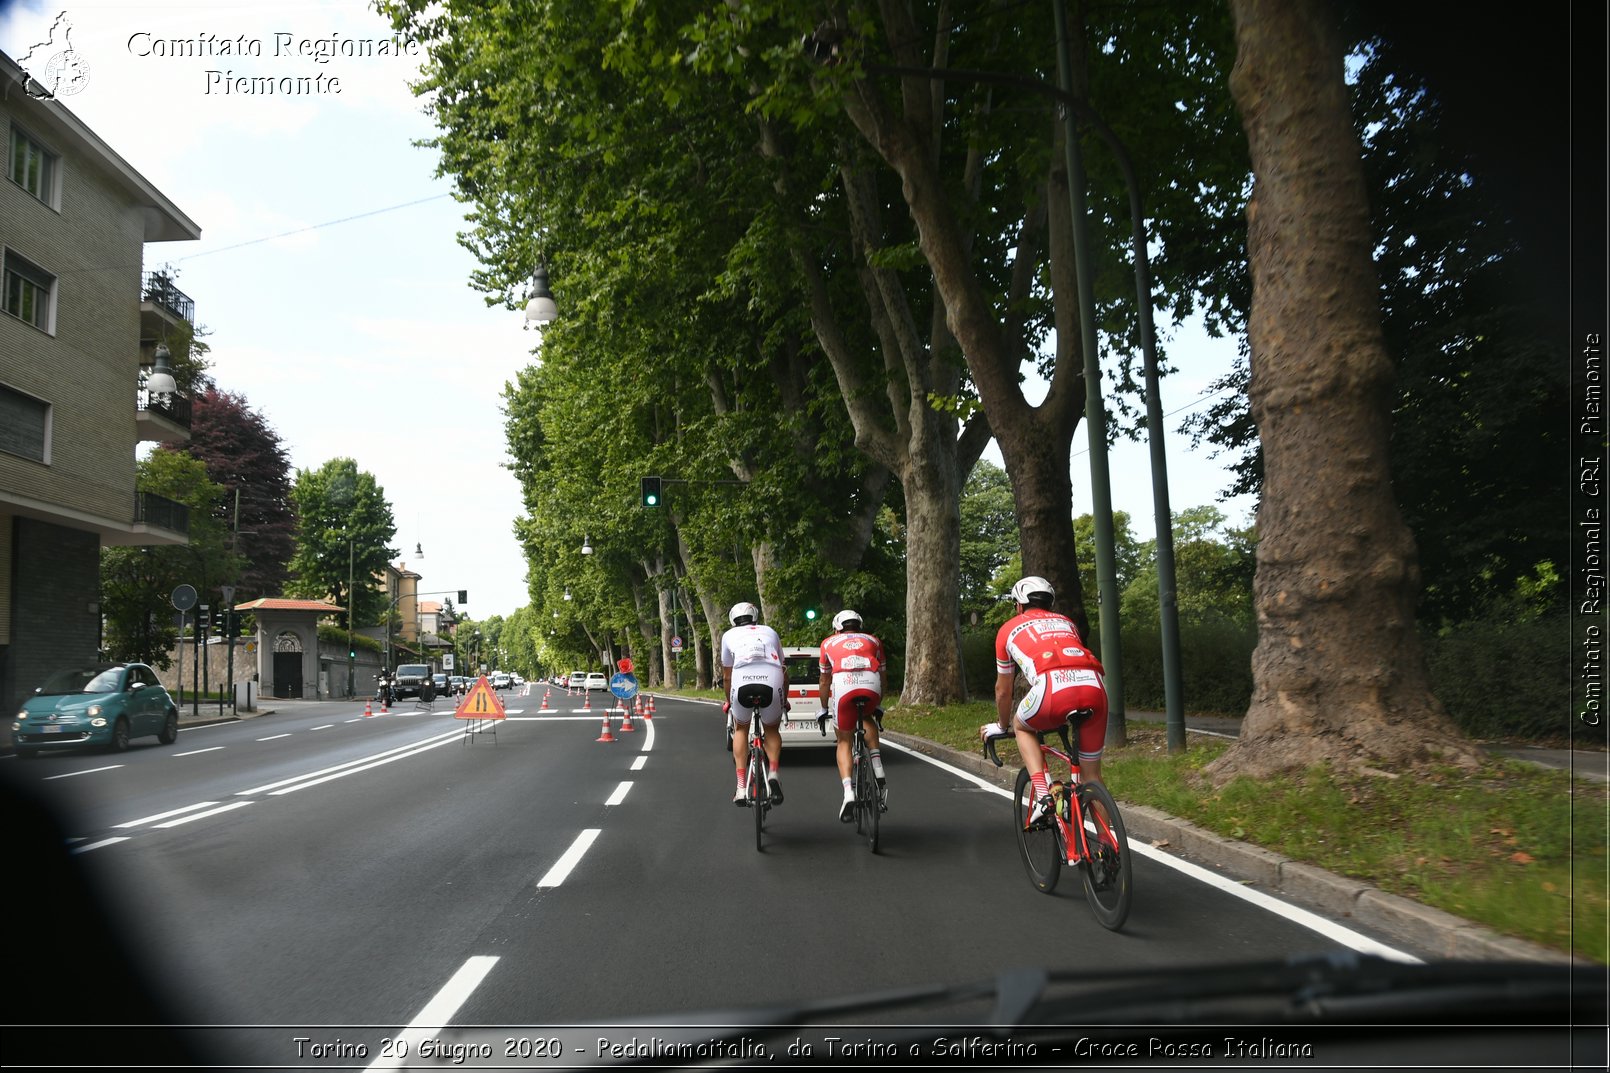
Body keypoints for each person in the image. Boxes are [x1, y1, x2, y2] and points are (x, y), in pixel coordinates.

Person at [981, 576, 1109, 820]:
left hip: (1052, 689)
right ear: (1050, 604)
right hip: (1095, 686)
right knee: (1092, 777)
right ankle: (1108, 849)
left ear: (1018, 606)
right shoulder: (1066, 622)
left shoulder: (1008, 629)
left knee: (1022, 726)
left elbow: (1003, 690)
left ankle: (1044, 796)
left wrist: (1001, 725)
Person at [818, 609, 887, 821]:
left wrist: (823, 708)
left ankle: (848, 791)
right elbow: (883, 676)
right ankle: (877, 765)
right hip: (871, 685)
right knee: (867, 717)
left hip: (844, 686)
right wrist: (878, 703)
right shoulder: (873, 640)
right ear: (859, 625)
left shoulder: (828, 643)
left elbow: (824, 681)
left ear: (837, 628)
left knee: (844, 740)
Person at [720, 601, 787, 806]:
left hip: (742, 681)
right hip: (772, 678)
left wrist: (729, 701)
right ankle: (773, 773)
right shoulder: (770, 631)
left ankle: (741, 788)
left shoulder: (728, 636)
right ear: (755, 617)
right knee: (772, 729)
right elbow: (784, 669)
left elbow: (727, 675)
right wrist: (784, 700)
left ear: (733, 621)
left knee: (741, 728)